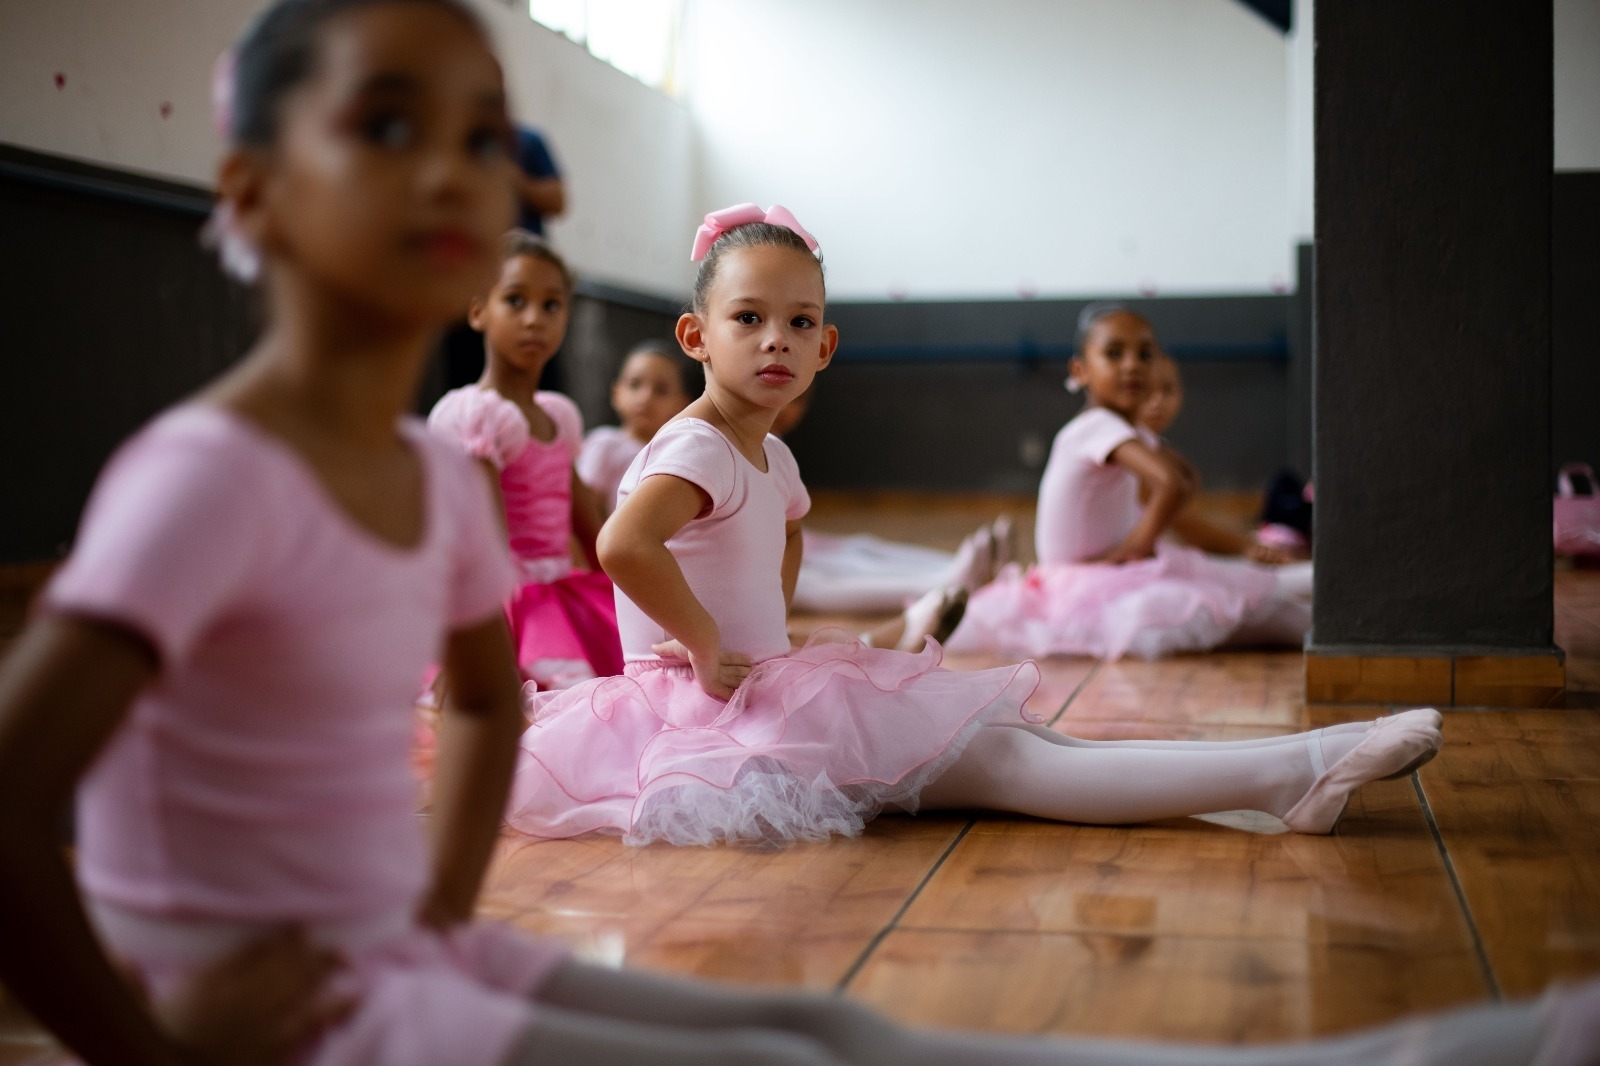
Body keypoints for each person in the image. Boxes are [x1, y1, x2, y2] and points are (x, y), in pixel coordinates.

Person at [0, 14, 1594, 1062]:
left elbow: (484, 698)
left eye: (487, 135)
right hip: (297, 1018)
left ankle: (1428, 1037)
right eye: (389, 120)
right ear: (252, 191)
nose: (453, 168)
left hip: (401, 958)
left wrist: (422, 913)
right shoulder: (209, 474)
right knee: (788, 1042)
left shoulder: (419, 479)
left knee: (803, 1024)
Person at [504, 204, 1446, 855]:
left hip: (757, 691)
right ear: (695, 336)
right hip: (711, 718)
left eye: (800, 322)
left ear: (827, 346)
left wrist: (766, 634)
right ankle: (1296, 770)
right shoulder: (701, 444)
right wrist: (708, 643)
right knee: (1009, 759)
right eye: (748, 318)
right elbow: (620, 545)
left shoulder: (768, 455)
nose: (776, 340)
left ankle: (1294, 774)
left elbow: (784, 533)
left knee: (1027, 746)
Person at [946, 305, 1313, 661]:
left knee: (1247, 590)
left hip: (1095, 579)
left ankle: (1324, 588)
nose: (1132, 364)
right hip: (1089, 588)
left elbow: (1184, 482)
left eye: (1145, 355)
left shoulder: (1127, 430)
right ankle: (1331, 603)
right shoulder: (1097, 426)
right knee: (1259, 603)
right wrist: (1139, 544)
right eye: (1114, 353)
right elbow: (1174, 483)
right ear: (1080, 369)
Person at [428, 232, 622, 690]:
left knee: (633, 672)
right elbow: (483, 543)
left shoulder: (558, 416)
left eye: (551, 305)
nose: (535, 319)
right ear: (478, 310)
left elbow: (590, 528)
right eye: (515, 301)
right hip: (503, 600)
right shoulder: (477, 415)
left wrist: (625, 601)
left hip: (559, 591)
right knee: (565, 689)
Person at [771, 384, 1012, 616]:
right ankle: (939, 584)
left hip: (787, 542)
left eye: (797, 401)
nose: (787, 410)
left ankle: (953, 567)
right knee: (813, 581)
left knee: (859, 547)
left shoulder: (774, 441)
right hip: (765, 559)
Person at [1137, 350, 1304, 564]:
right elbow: (1179, 523)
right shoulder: (1129, 450)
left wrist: (1248, 541)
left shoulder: (1157, 446)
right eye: (1145, 391)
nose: (1157, 401)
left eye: (1168, 390)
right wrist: (1247, 545)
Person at [576, 340, 697, 517]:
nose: (646, 397)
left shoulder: (675, 458)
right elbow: (585, 507)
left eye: (661, 390)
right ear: (616, 393)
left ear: (682, 404)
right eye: (635, 384)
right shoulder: (605, 443)